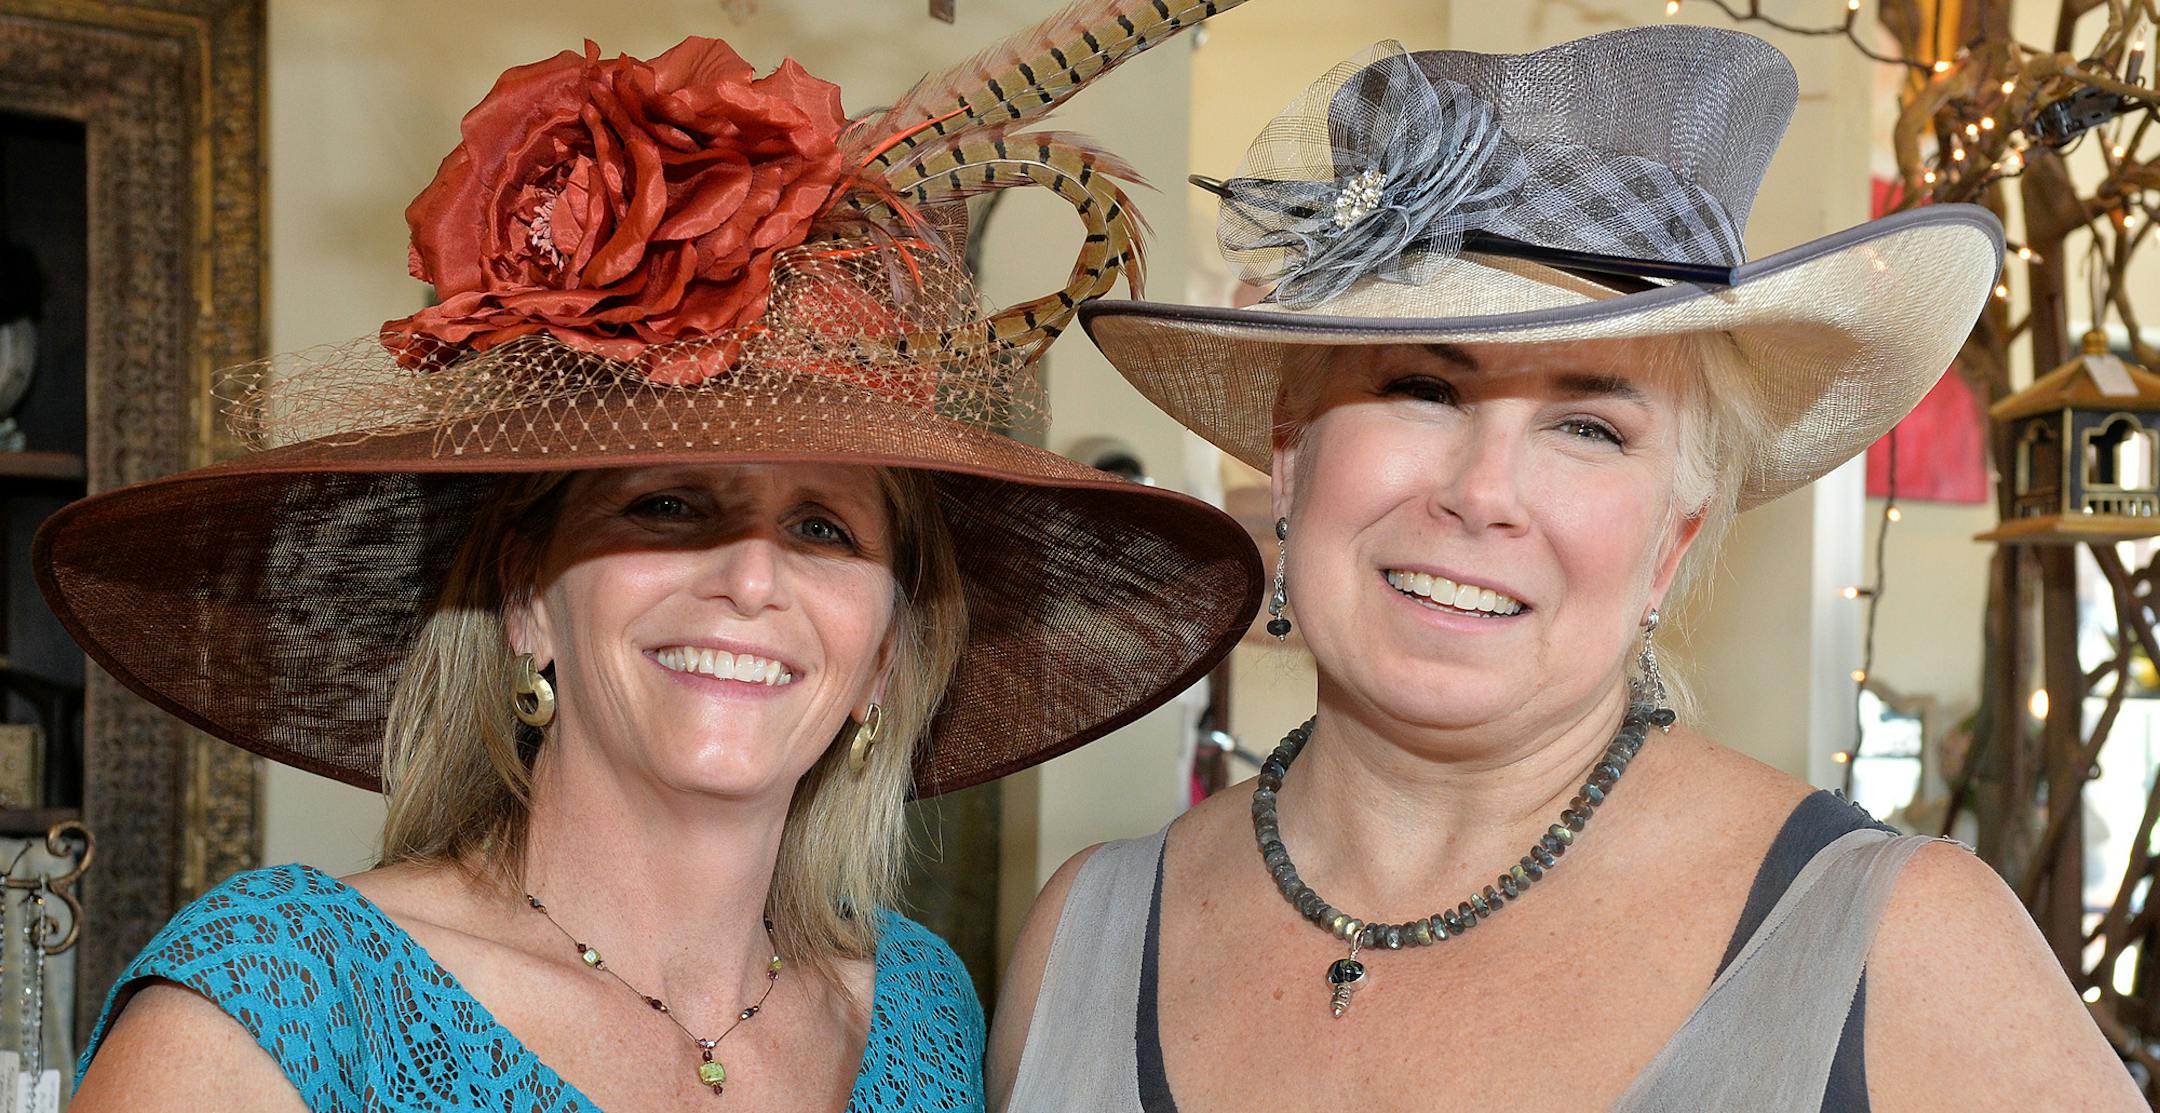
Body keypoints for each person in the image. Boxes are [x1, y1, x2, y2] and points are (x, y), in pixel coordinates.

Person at [42, 5, 1261, 1109]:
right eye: (671, 505)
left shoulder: (927, 1017)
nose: (749, 577)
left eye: (826, 527)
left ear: (889, 652)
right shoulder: (278, 1012)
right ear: (525, 596)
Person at [991, 26, 2147, 1112]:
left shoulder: (1902, 949)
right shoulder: (1083, 940)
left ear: (1671, 544)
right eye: (1422, 388)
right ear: (1289, 461)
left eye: (1590, 428)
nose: (1483, 494)